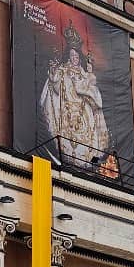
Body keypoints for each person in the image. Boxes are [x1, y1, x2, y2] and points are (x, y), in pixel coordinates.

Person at [39, 21, 113, 168]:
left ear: (80, 57)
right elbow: (54, 83)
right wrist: (53, 71)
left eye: (76, 55)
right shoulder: (63, 70)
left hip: (83, 111)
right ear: (68, 55)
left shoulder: (86, 74)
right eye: (72, 55)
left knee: (88, 137)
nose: (74, 58)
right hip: (66, 111)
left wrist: (89, 81)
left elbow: (94, 94)